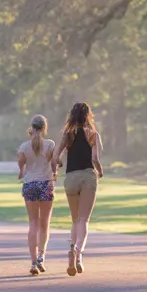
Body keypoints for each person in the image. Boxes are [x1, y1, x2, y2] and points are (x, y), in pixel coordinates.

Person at [50, 102, 103, 277]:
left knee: (75, 220)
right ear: (88, 115)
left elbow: (55, 158)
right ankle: (78, 252)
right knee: (84, 221)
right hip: (88, 176)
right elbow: (95, 159)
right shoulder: (93, 134)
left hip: (71, 177)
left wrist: (57, 168)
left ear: (72, 115)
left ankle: (74, 254)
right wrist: (100, 171)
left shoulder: (68, 134)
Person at [17, 114, 56, 276]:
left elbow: (21, 164)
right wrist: (55, 171)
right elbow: (54, 163)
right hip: (46, 184)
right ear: (44, 128)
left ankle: (33, 262)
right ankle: (41, 258)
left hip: (30, 185)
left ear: (31, 128)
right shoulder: (50, 145)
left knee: (33, 223)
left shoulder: (24, 147)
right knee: (44, 224)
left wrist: (21, 171)